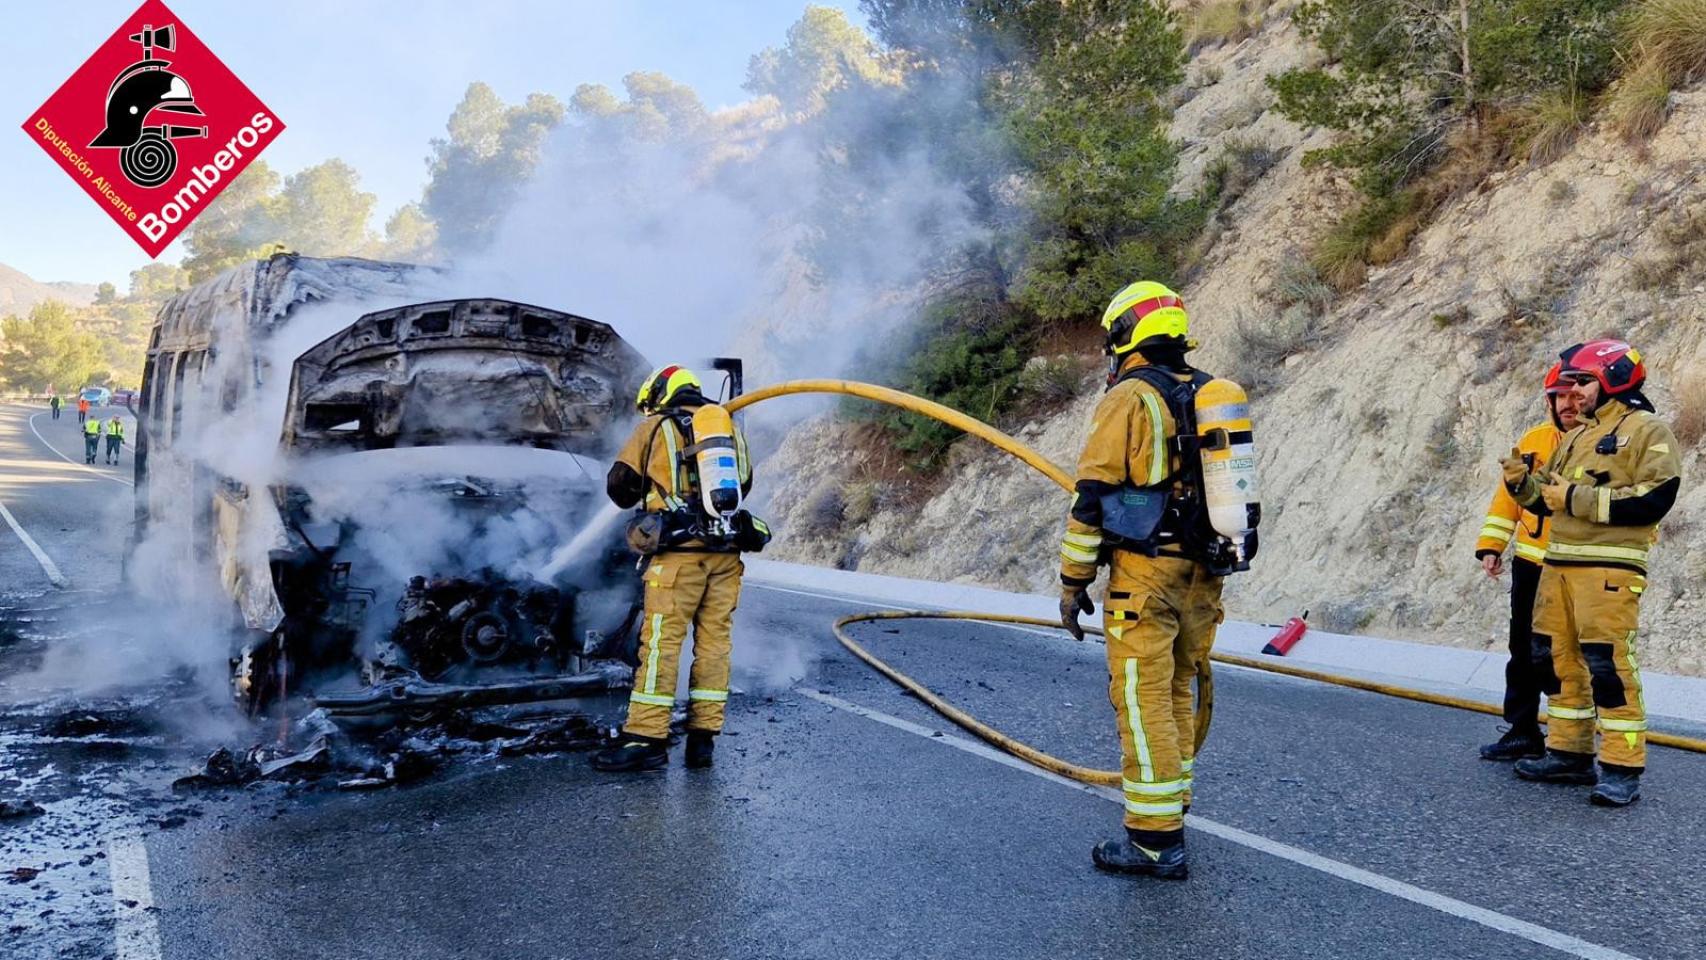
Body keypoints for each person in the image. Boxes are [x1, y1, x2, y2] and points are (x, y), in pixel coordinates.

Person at [1055, 280, 1257, 880]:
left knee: (1143, 701)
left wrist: (1073, 582)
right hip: (1204, 572)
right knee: (1176, 691)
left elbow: (1091, 497)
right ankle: (1173, 807)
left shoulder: (1131, 397)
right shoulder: (1206, 392)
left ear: (1125, 335)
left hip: (1145, 576)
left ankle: (1152, 840)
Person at [1503, 339, 1681, 806]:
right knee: (1554, 660)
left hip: (1608, 569)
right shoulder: (1578, 435)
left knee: (1607, 664)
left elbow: (1654, 499)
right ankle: (1568, 753)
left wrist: (1576, 500)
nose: (1573, 391)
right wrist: (1522, 485)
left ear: (1613, 378)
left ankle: (1622, 767)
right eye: (1570, 383)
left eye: (1582, 381)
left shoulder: (1647, 430)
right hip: (1557, 567)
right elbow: (1549, 498)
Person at [590, 364, 764, 773]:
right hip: (725, 558)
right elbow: (744, 485)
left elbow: (619, 488)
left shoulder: (653, 429)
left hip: (677, 559)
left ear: (659, 396)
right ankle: (702, 742)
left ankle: (645, 740)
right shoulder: (727, 432)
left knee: (660, 648)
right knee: (715, 645)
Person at [1473, 353, 1583, 761]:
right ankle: (1521, 730)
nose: (1569, 405)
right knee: (1522, 651)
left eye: (1576, 396)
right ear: (1549, 402)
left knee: (1564, 656)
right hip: (1531, 567)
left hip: (1576, 569)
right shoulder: (1534, 442)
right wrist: (1491, 547)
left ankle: (1568, 739)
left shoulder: (1598, 444)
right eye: (1560, 397)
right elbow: (1507, 499)